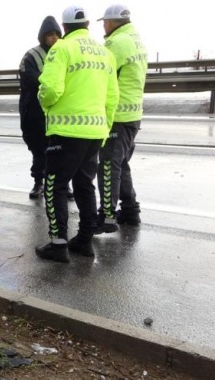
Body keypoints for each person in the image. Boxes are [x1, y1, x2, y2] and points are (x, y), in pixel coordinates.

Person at [35, 5, 119, 262]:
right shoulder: (105, 54)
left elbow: (50, 88)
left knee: (54, 185)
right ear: (87, 25)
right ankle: (84, 240)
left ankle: (58, 243)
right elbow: (112, 97)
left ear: (64, 27)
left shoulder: (61, 48)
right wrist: (104, 128)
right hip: (95, 131)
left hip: (66, 131)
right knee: (85, 186)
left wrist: (45, 104)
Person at [95, 4, 148, 233]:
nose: (104, 26)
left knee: (108, 165)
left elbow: (100, 73)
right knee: (121, 164)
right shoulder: (136, 39)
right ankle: (130, 212)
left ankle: (106, 217)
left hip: (118, 114)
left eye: (105, 22)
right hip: (133, 113)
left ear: (113, 21)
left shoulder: (117, 43)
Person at [19, 16, 62, 199]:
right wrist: (50, 80)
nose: (54, 38)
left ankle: (62, 185)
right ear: (43, 36)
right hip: (35, 109)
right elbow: (28, 78)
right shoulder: (32, 55)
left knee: (60, 149)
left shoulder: (64, 52)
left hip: (58, 108)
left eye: (56, 34)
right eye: (50, 35)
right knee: (38, 148)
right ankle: (38, 182)